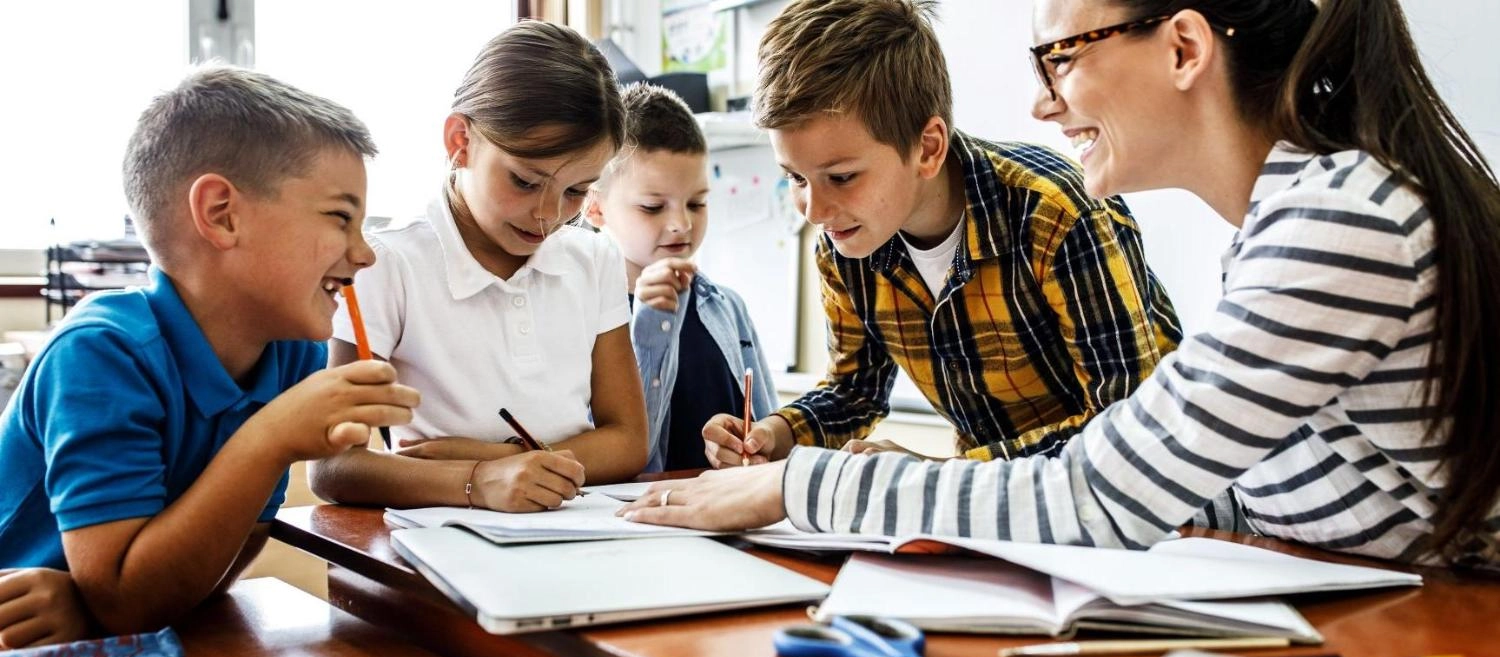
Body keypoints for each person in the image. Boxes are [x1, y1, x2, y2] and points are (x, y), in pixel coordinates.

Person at [623, 0, 1500, 568]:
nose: (1042, 104)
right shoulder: (1293, 219)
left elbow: (1099, 492)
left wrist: (797, 487)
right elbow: (1236, 488)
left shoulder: (1338, 221)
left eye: (1061, 58)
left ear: (1184, 48)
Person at [0, 66, 418, 636]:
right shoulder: (102, 355)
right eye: (341, 218)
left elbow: (217, 568)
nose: (365, 253)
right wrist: (272, 437)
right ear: (222, 214)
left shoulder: (292, 356)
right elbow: (125, 605)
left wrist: (92, 608)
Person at [697, 0, 1181, 471]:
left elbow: (1125, 423)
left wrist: (938, 475)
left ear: (928, 149)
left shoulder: (1053, 212)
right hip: (987, 499)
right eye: (795, 178)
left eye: (841, 177)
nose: (814, 211)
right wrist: (772, 434)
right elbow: (854, 392)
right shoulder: (846, 239)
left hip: (1146, 496)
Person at [310, 21, 648, 513]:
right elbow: (333, 465)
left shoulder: (594, 257)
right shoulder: (387, 263)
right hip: (440, 537)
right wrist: (477, 481)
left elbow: (629, 442)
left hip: (573, 528)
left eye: (576, 191)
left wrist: (499, 460)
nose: (549, 214)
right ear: (460, 140)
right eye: (525, 181)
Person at [585, 83, 779, 472]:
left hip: (725, 504)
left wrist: (760, 446)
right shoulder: (583, 316)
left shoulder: (727, 307)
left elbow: (769, 428)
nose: (682, 224)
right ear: (595, 209)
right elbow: (616, 457)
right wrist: (649, 325)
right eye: (653, 207)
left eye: (697, 203)